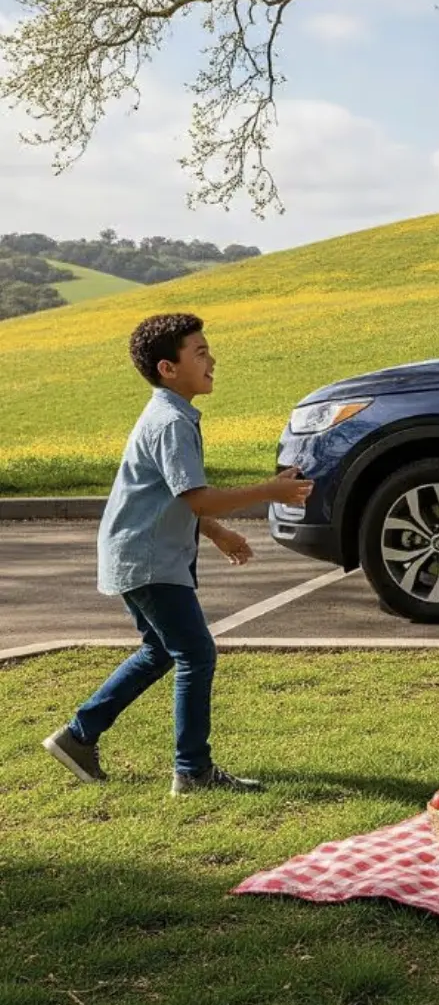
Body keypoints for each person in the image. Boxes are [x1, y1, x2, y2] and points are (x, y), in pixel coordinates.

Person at [42, 313, 313, 794]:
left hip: (140, 553)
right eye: (200, 352)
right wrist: (270, 491)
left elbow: (174, 497)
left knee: (161, 651)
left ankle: (78, 736)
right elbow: (197, 497)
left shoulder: (172, 415)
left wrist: (216, 533)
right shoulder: (170, 422)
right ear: (168, 368)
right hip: (148, 559)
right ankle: (192, 771)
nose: (212, 360)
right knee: (195, 653)